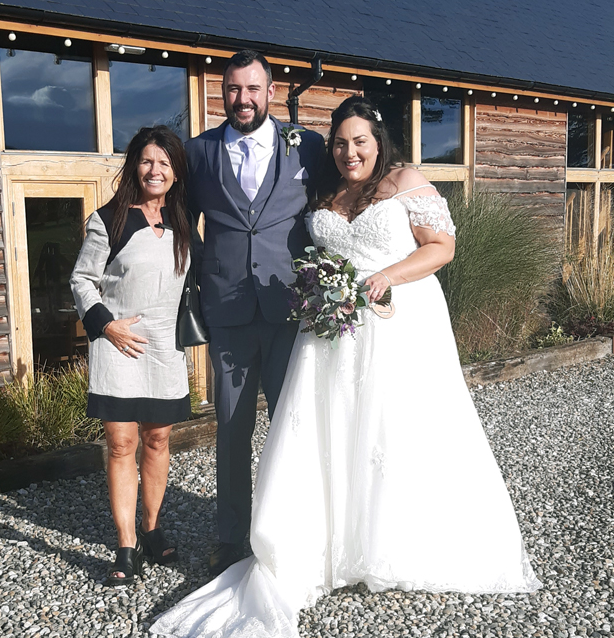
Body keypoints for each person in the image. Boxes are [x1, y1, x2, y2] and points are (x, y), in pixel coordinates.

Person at [150, 95, 541, 637]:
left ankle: (396, 542)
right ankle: (332, 540)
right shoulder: (328, 190)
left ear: (378, 141)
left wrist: (387, 276)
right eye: (339, 142)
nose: (349, 151)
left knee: (395, 428)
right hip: (332, 329)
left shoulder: (406, 181)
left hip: (397, 320)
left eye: (359, 141)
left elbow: (442, 247)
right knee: (334, 428)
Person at [184, 49, 325, 576]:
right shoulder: (198, 153)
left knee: (294, 425)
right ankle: (230, 537)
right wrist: (206, 273)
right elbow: (181, 224)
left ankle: (294, 530)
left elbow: (335, 206)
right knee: (231, 429)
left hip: (292, 311)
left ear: (270, 90)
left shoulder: (306, 145)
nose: (242, 99)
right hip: (228, 314)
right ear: (222, 93)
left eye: (252, 89)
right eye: (232, 90)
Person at [70, 125, 192, 585]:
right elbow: (82, 279)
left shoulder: (183, 224)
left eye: (164, 162)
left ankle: (152, 528)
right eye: (146, 160)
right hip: (117, 343)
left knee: (158, 440)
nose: (154, 169)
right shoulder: (110, 220)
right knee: (122, 443)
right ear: (133, 166)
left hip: (164, 348)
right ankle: (125, 546)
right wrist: (106, 323)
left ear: (176, 172)